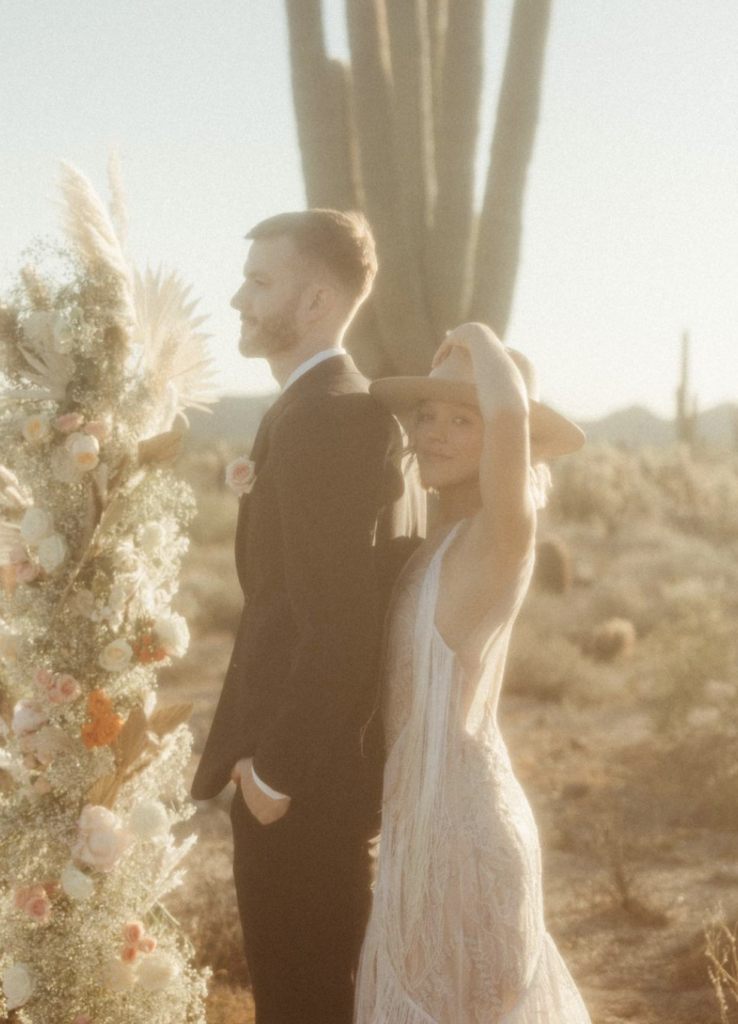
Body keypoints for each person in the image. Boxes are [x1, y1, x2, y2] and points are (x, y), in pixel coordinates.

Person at [190, 209, 424, 1024]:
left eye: (261, 282)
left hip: (303, 785)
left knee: (306, 1003)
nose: (237, 299)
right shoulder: (320, 406)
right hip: (307, 777)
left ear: (319, 301)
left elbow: (340, 625)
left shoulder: (325, 417)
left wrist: (274, 773)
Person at [355, 322, 591, 1023]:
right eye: (427, 414)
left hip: (468, 840)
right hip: (417, 831)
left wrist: (479, 337)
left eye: (464, 418)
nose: (434, 431)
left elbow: (513, 413)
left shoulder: (502, 539)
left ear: (503, 445)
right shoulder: (436, 544)